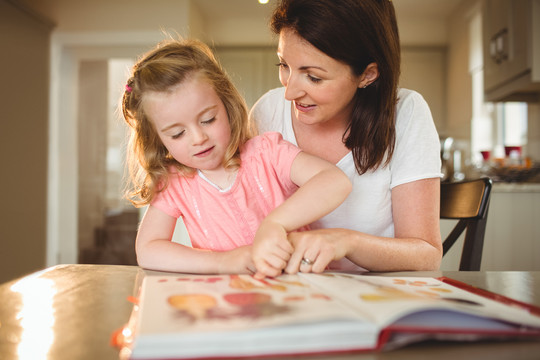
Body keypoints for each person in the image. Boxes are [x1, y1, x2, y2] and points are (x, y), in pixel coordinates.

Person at [122, 38, 351, 276]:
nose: (198, 138)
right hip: (229, 303)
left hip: (300, 287)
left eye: (208, 120)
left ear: (227, 105)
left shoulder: (267, 152)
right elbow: (148, 250)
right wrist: (223, 262)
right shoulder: (174, 183)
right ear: (158, 140)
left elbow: (335, 182)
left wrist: (275, 224)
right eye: (178, 134)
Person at [250, 0, 443, 275]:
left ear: (367, 75)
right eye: (283, 65)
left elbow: (427, 256)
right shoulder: (267, 112)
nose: (289, 93)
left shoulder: (406, 113)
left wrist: (346, 242)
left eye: (314, 77)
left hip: (378, 298)